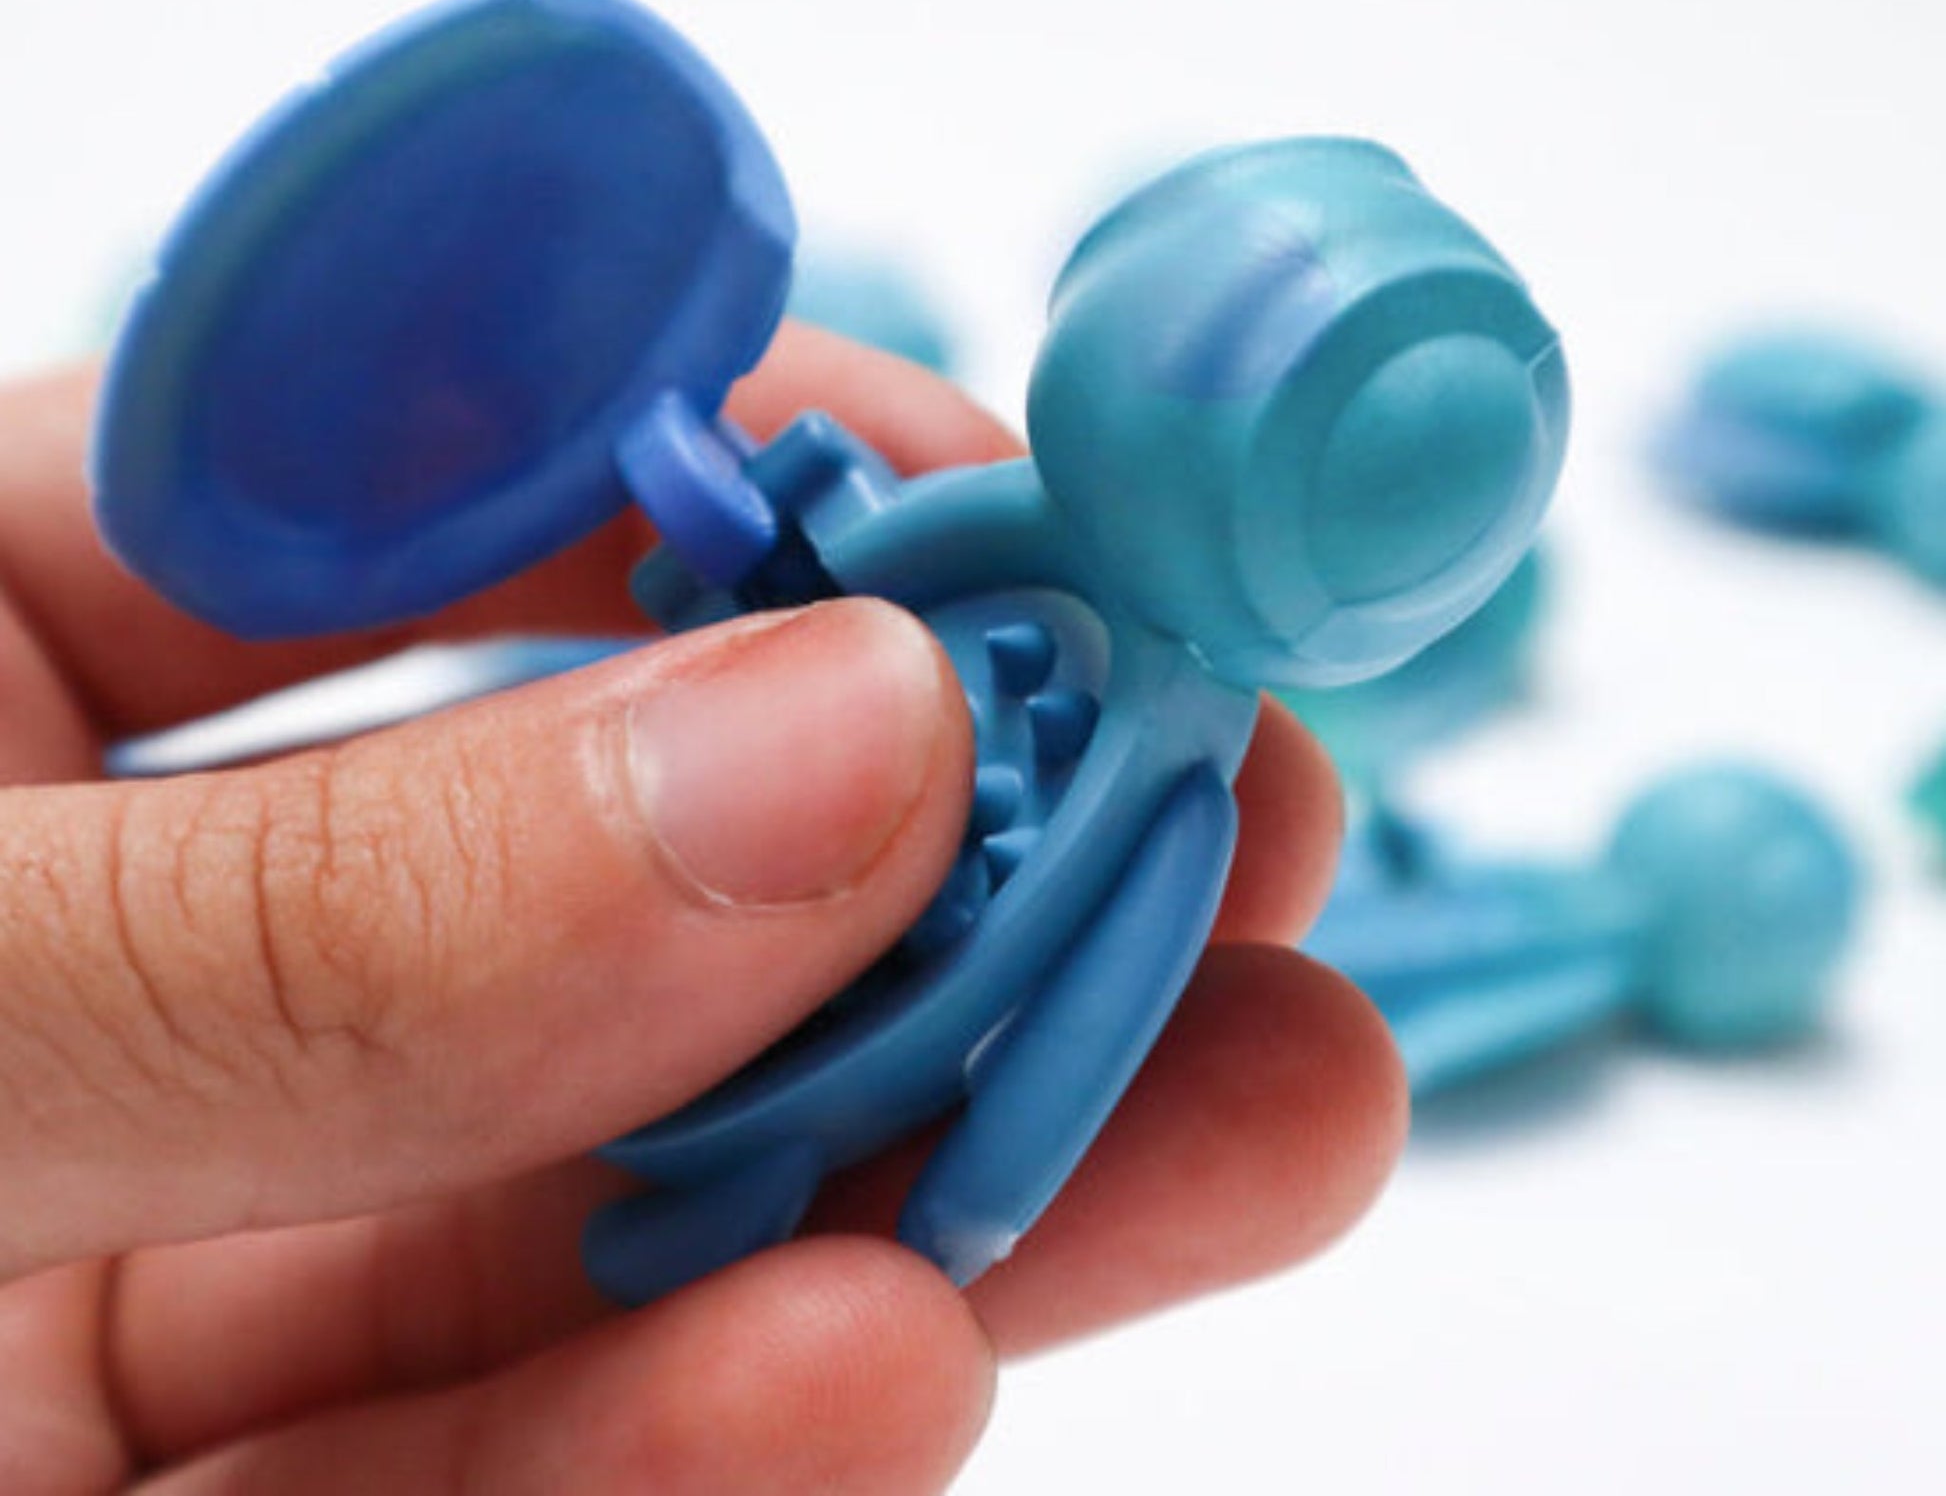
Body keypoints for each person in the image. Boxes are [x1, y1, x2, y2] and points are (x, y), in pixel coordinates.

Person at [0, 324, 1404, 1494]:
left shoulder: (1175, 755)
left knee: (774, 1286)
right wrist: (954, 1226)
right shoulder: (1033, 566)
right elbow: (835, 576)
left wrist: (965, 1210)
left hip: (793, 1073)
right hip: (729, 1049)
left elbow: (1088, 1024)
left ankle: (735, 1205)